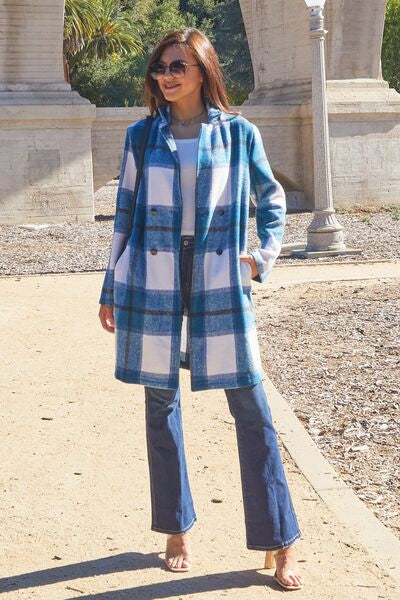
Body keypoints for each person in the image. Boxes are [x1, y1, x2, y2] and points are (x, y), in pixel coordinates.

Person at [98, 27, 304, 591]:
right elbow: (125, 213)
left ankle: (280, 539)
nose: (166, 75)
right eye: (161, 66)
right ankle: (175, 529)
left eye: (178, 66)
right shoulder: (142, 135)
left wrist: (261, 257)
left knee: (252, 407)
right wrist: (110, 287)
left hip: (219, 273)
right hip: (153, 275)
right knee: (159, 405)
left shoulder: (238, 132)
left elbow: (272, 198)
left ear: (203, 70)